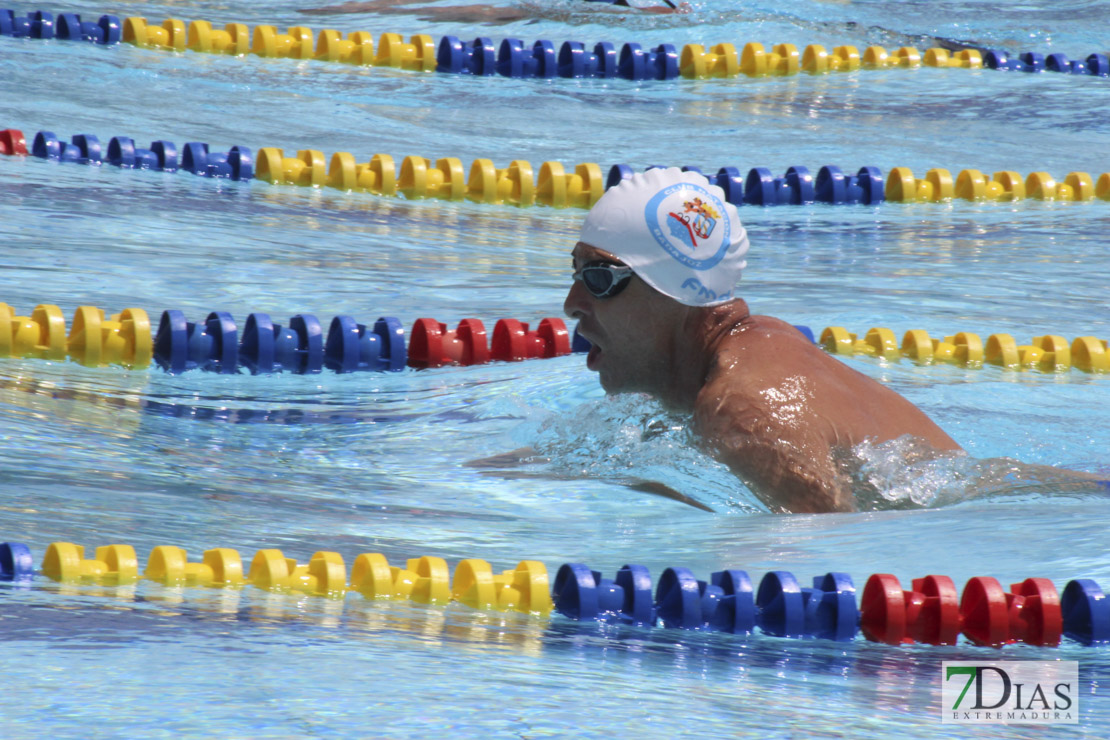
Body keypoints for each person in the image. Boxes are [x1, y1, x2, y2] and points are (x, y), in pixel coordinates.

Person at [564, 167, 963, 514]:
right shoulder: (754, 345)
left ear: (673, 291)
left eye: (600, 278)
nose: (572, 304)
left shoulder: (743, 411)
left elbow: (832, 547)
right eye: (575, 271)